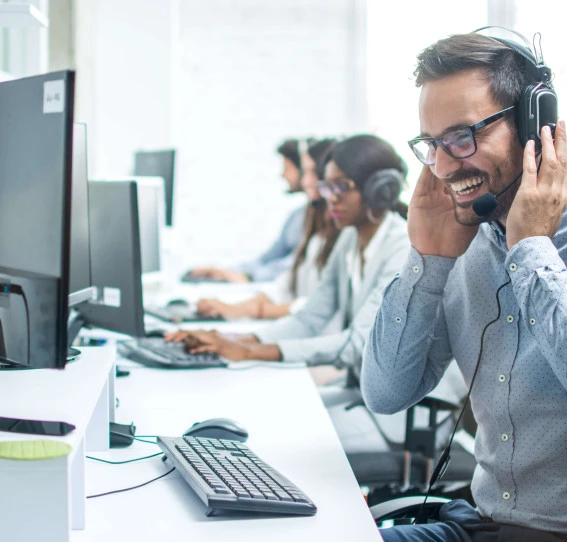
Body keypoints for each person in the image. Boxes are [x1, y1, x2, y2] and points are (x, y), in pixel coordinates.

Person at [361, 32, 567, 541]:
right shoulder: (466, 242)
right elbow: (387, 393)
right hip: (480, 525)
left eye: (462, 135)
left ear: (533, 125)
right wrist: (427, 261)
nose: (447, 164)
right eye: (432, 144)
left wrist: (531, 250)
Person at [166, 134, 410, 369]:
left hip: (397, 406)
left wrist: (248, 351)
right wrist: (231, 338)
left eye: (342, 187)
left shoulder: (400, 249)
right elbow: (309, 318)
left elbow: (358, 344)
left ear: (378, 190)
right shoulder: (349, 238)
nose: (332, 199)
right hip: (358, 384)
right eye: (328, 187)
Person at [196, 138, 340, 320]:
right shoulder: (309, 223)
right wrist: (233, 306)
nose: (306, 181)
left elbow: (318, 303)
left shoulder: (342, 234)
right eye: (305, 172)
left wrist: (245, 307)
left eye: (311, 172)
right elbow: (285, 279)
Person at [184, 138, 309, 283]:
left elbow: (298, 264)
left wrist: (249, 276)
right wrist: (225, 271)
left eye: (287, 168)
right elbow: (267, 259)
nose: (283, 175)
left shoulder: (325, 218)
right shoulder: (296, 216)